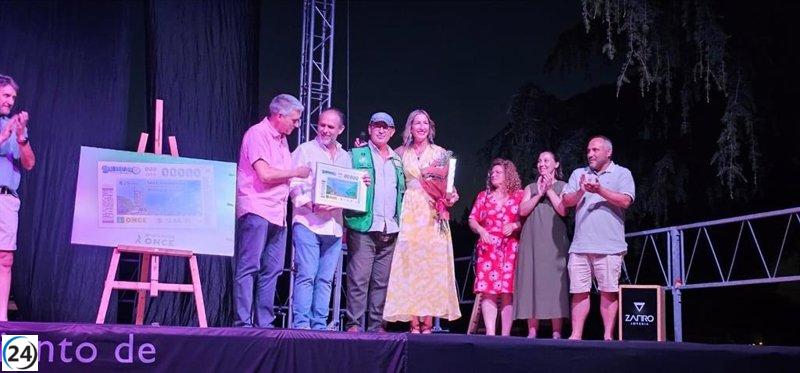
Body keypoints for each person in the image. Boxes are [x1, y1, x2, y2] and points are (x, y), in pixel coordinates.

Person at [233, 94, 310, 328]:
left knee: (273, 270)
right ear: (279, 116)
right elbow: (265, 174)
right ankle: (243, 323)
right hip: (256, 209)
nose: (297, 125)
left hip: (278, 213)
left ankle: (264, 322)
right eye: (294, 120)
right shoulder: (257, 134)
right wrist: (296, 172)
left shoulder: (282, 140)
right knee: (249, 267)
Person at [382, 109, 461, 333]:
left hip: (432, 212)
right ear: (410, 127)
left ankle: (427, 322)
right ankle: (413, 321)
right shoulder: (398, 152)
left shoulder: (441, 153)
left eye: (425, 123)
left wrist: (451, 196)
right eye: (416, 123)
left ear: (430, 127)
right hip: (410, 211)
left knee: (432, 266)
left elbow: (448, 184)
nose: (421, 127)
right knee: (411, 265)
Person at [561, 135, 635, 340]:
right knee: (578, 291)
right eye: (588, 150)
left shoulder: (622, 173)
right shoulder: (579, 174)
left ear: (608, 152)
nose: (590, 154)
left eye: (595, 150)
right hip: (580, 245)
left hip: (610, 245)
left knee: (608, 291)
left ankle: (608, 336)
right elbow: (567, 201)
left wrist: (600, 189)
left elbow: (626, 201)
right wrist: (581, 191)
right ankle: (576, 335)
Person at [289, 108, 353, 330]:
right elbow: (293, 185)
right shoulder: (305, 150)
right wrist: (311, 204)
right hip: (308, 221)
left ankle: (318, 325)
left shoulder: (346, 157)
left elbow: (349, 191)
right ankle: (301, 325)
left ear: (340, 130)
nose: (324, 130)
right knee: (306, 275)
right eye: (322, 124)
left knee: (326, 279)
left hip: (334, 226)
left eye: (330, 126)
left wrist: (359, 188)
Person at [343, 112, 405, 332]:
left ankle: (377, 325)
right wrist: (355, 182)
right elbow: (340, 183)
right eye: (377, 126)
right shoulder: (355, 154)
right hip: (363, 226)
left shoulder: (397, 160)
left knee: (382, 282)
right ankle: (354, 324)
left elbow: (404, 190)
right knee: (359, 280)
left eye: (386, 127)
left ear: (392, 132)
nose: (381, 130)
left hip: (390, 228)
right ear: (370, 129)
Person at [513, 151, 570, 339]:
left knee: (555, 282)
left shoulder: (563, 185)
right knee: (532, 281)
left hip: (554, 241)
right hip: (532, 240)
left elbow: (563, 210)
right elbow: (522, 210)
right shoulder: (531, 187)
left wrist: (549, 190)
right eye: (539, 161)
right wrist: (539, 194)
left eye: (546, 160)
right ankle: (532, 330)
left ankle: (556, 331)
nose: (542, 164)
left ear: (556, 164)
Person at [468, 158, 524, 336]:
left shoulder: (519, 196)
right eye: (492, 173)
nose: (494, 175)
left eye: (498, 172)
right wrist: (482, 231)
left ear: (508, 175)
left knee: (508, 291)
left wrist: (515, 226)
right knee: (488, 291)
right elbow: (472, 219)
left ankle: (505, 334)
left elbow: (526, 219)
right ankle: (491, 333)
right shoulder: (483, 196)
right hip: (488, 247)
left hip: (510, 248)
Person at [0, 75, 35, 322]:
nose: (10, 101)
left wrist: (20, 136)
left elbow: (29, 163)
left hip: (6, 198)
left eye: (13, 97)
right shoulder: (6, 128)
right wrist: (4, 134)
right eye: (6, 95)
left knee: (5, 258)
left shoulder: (15, 127)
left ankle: (1, 320)